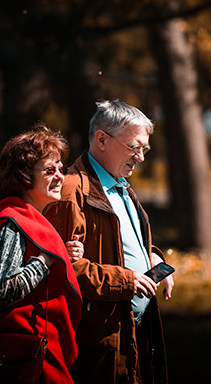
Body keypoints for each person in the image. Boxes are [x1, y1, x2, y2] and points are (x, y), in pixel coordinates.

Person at [43, 100, 174, 384]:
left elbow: (121, 241)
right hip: (100, 343)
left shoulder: (120, 183)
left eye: (144, 148)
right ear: (102, 139)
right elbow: (63, 269)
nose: (140, 157)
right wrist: (128, 280)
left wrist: (152, 257)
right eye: (133, 147)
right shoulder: (71, 190)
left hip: (134, 332)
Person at [0, 124, 84, 383]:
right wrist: (47, 259)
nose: (60, 176)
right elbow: (1, 292)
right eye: (49, 170)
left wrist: (61, 256)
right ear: (23, 175)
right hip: (20, 361)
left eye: (61, 169)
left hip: (33, 354)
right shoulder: (13, 221)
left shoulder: (31, 219)